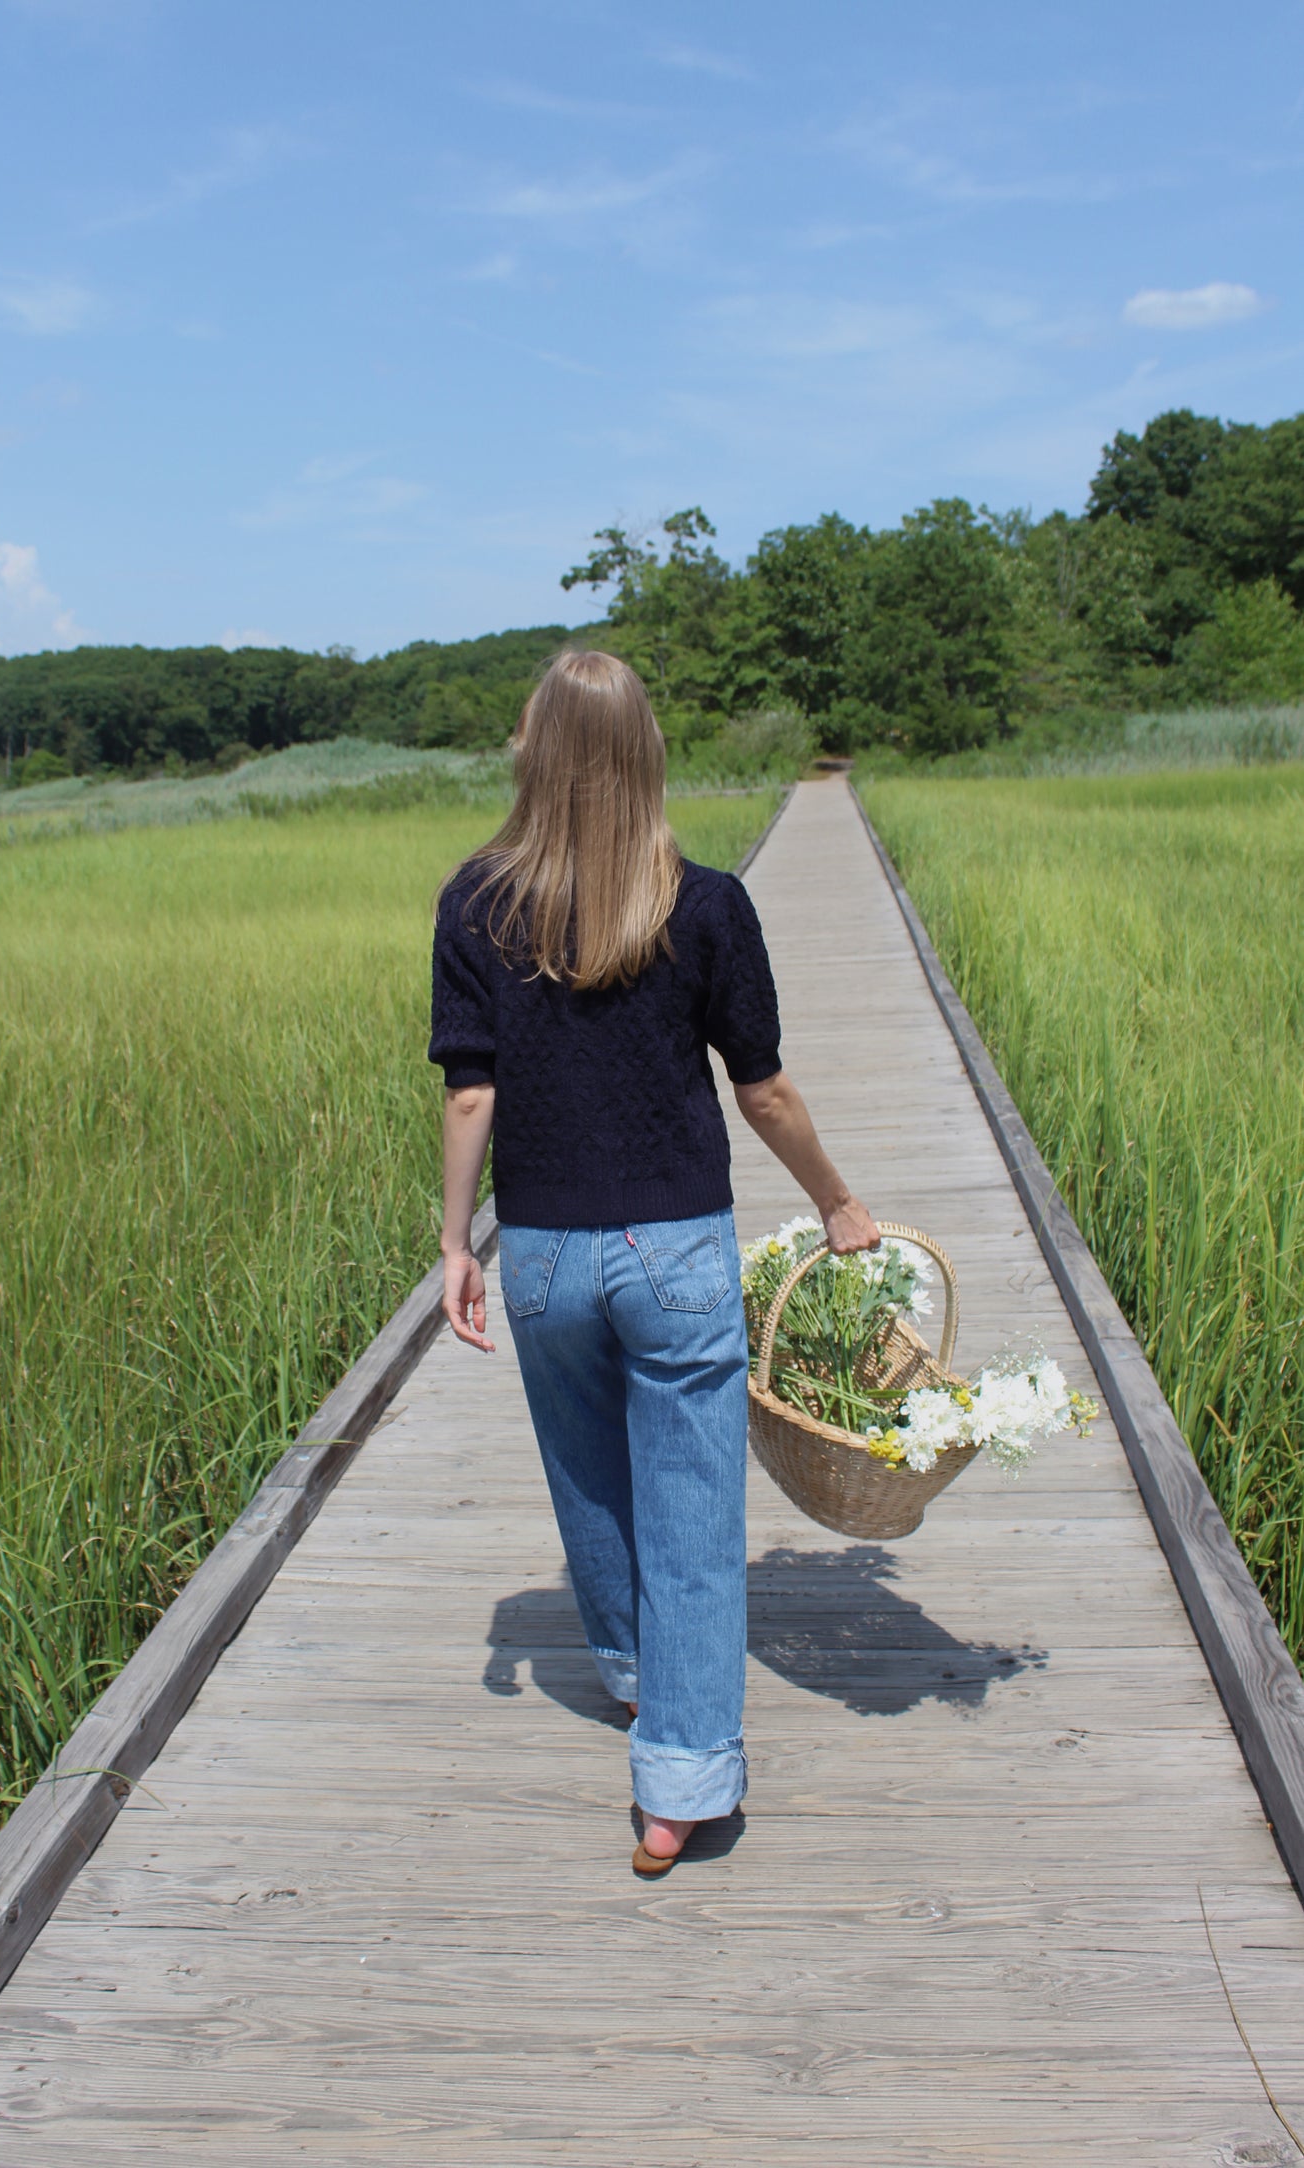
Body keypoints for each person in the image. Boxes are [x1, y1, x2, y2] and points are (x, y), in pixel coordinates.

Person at [429, 650, 879, 1875]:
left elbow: (472, 1095)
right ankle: (678, 1780)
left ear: (539, 751)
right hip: (674, 1249)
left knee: (588, 1480)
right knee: (690, 1512)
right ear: (643, 753)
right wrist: (835, 1200)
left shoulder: (472, 901)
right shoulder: (707, 903)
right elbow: (765, 1090)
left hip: (541, 1254)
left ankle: (632, 1676)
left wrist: (454, 1242)